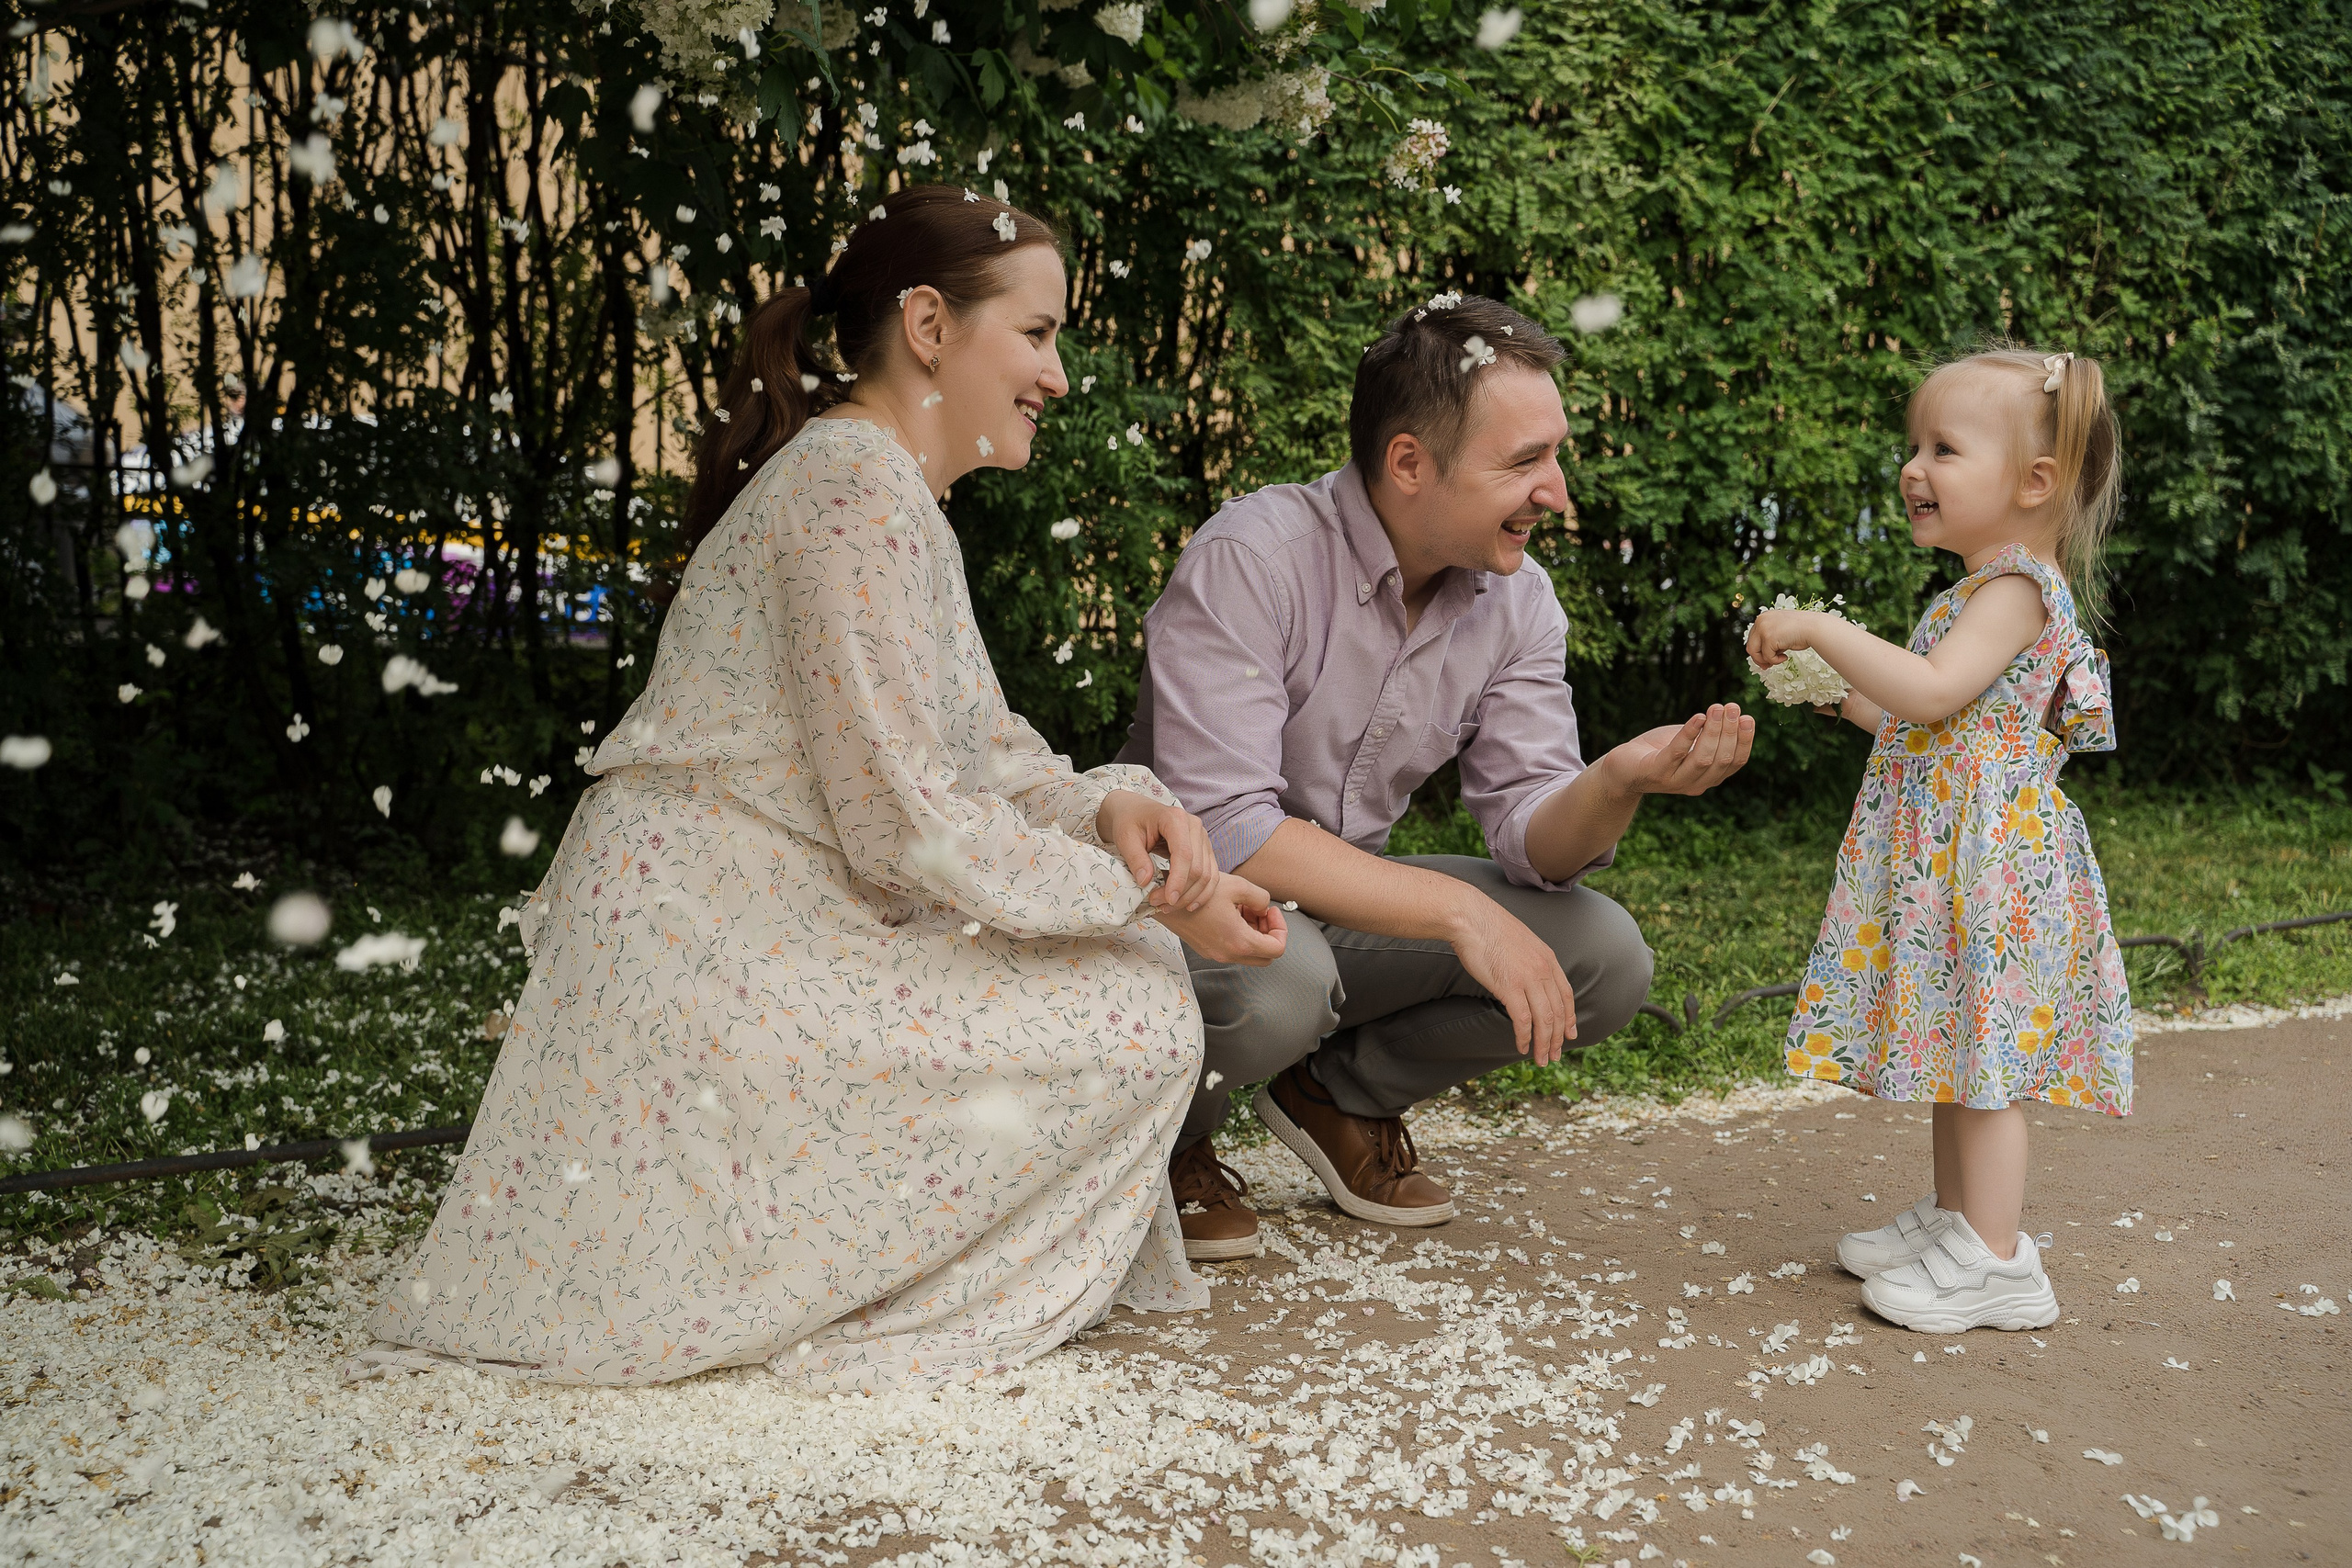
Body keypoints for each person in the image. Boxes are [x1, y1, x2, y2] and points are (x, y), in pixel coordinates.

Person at [345, 186, 1284, 1393]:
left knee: (1138, 995)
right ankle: (872, 1304)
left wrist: (1111, 811)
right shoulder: (851, 489)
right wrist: (1147, 898)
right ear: (931, 326)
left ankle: (878, 1273)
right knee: (1139, 1010)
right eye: (1039, 334)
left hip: (769, 919)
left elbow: (981, 757)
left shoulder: (878, 488)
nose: (1057, 375)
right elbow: (906, 826)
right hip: (710, 944)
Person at [1119, 292, 1757, 1261]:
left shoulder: (1518, 600)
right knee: (1286, 984)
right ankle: (1170, 1141)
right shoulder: (1253, 558)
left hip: (1338, 906)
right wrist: (1460, 915)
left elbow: (1535, 841)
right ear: (1409, 463)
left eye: (1555, 455)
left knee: (1606, 959)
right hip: (1194, 902)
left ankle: (1337, 1095)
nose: (1557, 492)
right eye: (1523, 462)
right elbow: (1230, 824)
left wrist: (1617, 779)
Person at [1750, 343, 2132, 1333]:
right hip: (1963, 854)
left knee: (1988, 1059)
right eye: (1912, 446)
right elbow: (1926, 725)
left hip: (1996, 863)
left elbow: (1926, 690)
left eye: (1944, 449)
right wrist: (1838, 700)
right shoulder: (1973, 591)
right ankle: (1958, 1222)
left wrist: (1820, 629)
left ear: (2034, 482)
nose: (1913, 469)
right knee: (1959, 1046)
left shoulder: (2014, 591)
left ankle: (1999, 1263)